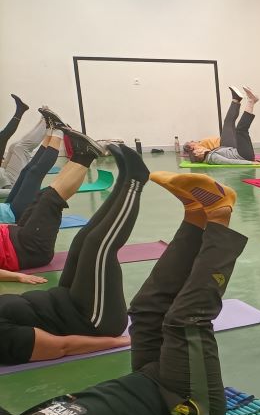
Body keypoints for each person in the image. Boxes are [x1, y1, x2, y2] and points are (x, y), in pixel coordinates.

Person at [0, 173, 245, 415]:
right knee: (184, 321)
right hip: (187, 412)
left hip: (145, 379)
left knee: (145, 310)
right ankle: (220, 217)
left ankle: (196, 215)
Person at [0, 142, 149, 366]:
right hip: (94, 320)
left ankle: (123, 182)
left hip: (66, 298)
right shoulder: (4, 341)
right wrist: (117, 342)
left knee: (82, 240)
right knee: (98, 245)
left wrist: (17, 277)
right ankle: (136, 181)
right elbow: (61, 346)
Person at [0, 124, 111, 283]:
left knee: (43, 194)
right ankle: (87, 157)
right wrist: (18, 277)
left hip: (16, 232)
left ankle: (80, 155)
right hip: (28, 250)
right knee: (50, 200)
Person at [184, 86, 260, 165]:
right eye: (191, 142)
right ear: (193, 150)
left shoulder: (207, 151)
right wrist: (249, 163)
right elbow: (228, 161)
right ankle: (247, 101)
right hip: (232, 148)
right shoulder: (209, 154)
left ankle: (243, 100)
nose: (192, 141)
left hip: (232, 149)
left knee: (235, 126)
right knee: (238, 128)